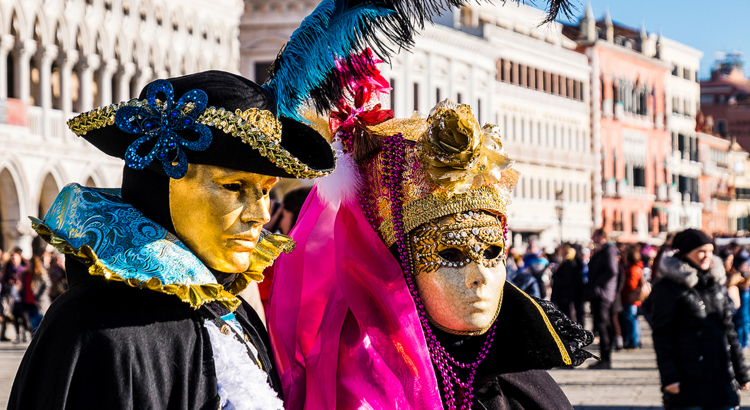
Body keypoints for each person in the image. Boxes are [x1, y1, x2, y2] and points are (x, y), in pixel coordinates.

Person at [8, 69, 336, 409]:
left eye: (266, 191)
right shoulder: (96, 331)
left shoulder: (235, 317)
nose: (261, 215)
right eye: (234, 187)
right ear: (162, 188)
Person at [268, 78, 594, 409]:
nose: (479, 276)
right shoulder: (364, 386)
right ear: (400, 268)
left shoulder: (527, 385)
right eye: (452, 254)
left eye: (493, 252)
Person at [644, 229, 750, 410]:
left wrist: (741, 372)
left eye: (710, 251)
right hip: (687, 377)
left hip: (721, 376)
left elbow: (729, 330)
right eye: (701, 251)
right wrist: (670, 377)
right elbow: (662, 335)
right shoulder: (668, 287)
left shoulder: (715, 283)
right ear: (686, 252)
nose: (707, 256)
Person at [585, 228, 619, 369]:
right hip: (599, 293)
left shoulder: (609, 249)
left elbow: (612, 271)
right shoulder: (601, 250)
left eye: (594, 235)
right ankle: (604, 358)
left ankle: (606, 359)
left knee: (603, 325)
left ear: (601, 236)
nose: (592, 238)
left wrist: (598, 287)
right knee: (601, 325)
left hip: (603, 294)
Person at [551, 244, 585, 324]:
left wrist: (555, 274)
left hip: (566, 298)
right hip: (568, 297)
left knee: (569, 319)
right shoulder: (568, 263)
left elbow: (565, 281)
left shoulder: (568, 264)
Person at [619, 245, 643, 349]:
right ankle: (634, 340)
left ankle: (634, 341)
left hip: (630, 299)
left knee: (631, 320)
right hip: (630, 299)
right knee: (632, 320)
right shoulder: (636, 267)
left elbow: (631, 285)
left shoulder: (633, 268)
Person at [20, 256, 50, 333]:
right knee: (32, 322)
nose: (27, 263)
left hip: (38, 302)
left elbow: (47, 286)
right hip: (28, 301)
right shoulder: (25, 274)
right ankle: (33, 340)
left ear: (33, 263)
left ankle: (39, 340)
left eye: (29, 262)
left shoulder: (40, 274)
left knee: (39, 322)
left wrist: (38, 297)